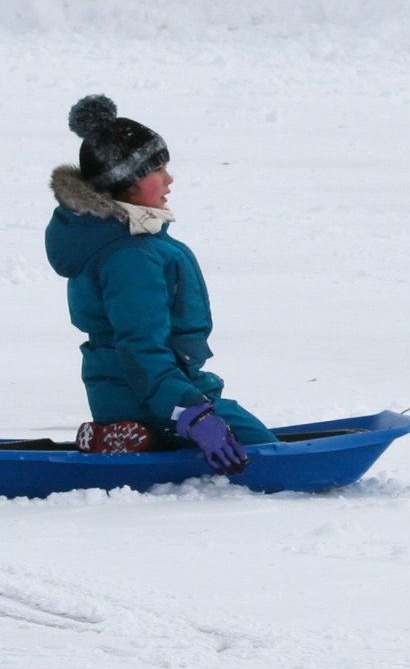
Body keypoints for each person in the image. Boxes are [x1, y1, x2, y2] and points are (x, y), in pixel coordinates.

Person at [45, 94, 277, 472]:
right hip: (148, 396)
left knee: (248, 437)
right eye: (159, 170)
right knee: (261, 451)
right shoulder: (131, 256)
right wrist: (192, 412)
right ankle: (143, 436)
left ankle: (131, 436)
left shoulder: (125, 241)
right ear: (128, 181)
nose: (170, 179)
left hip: (146, 390)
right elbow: (140, 348)